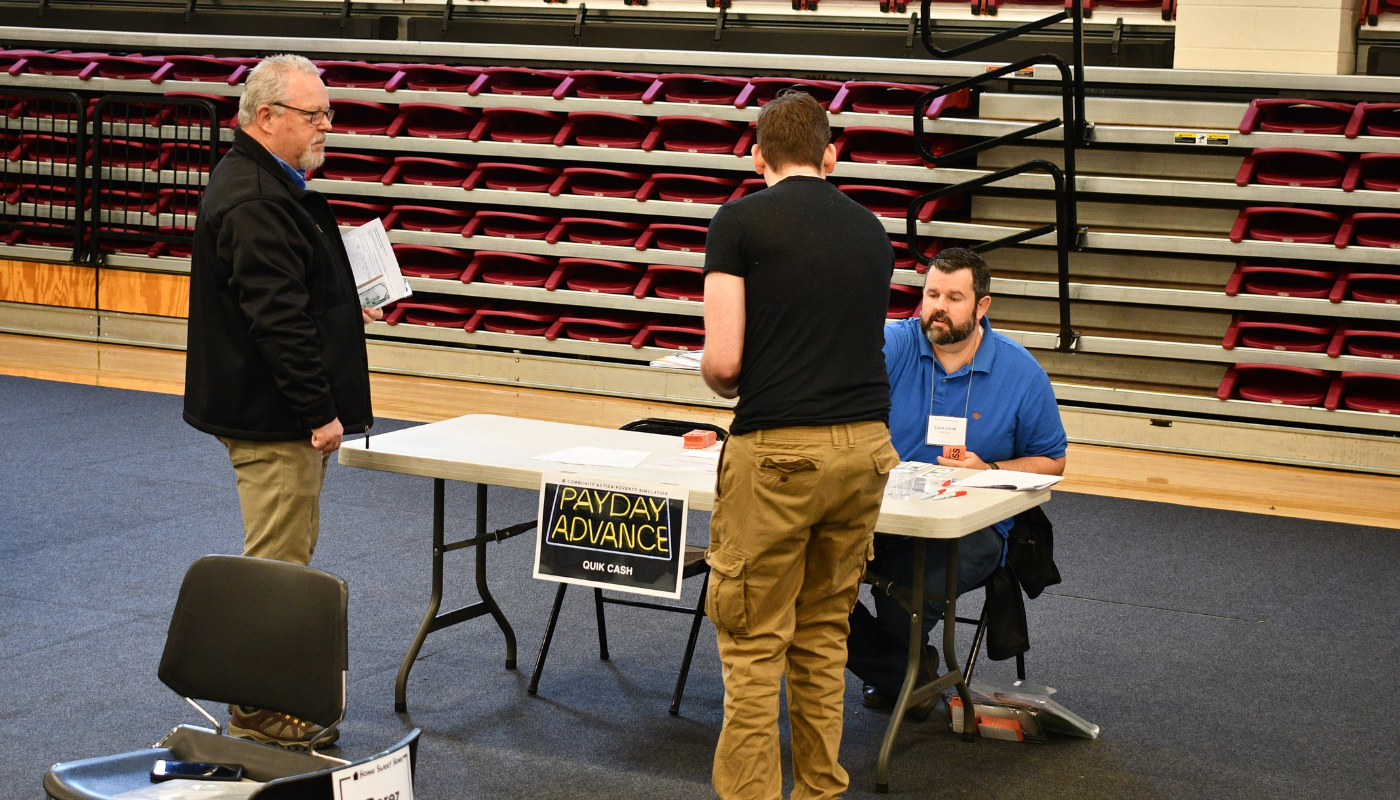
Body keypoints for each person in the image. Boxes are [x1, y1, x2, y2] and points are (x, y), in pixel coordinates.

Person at [700, 91, 902, 800]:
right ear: (831, 155)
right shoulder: (873, 230)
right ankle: (821, 790)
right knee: (823, 637)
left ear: (757, 158)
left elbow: (724, 367)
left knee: (754, 647)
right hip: (867, 450)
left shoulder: (740, 222)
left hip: (781, 453)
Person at [183, 53, 380, 748]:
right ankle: (257, 712)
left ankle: (260, 699)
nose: (326, 126)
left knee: (282, 557)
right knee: (276, 566)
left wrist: (351, 299)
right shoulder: (258, 196)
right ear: (266, 117)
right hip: (275, 420)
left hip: (272, 412)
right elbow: (277, 321)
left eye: (327, 112)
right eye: (313, 115)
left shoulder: (264, 181)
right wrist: (318, 413)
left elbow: (293, 290)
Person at [845, 247, 1067, 718]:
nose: (938, 307)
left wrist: (987, 470)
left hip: (973, 526)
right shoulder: (897, 345)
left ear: (982, 305)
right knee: (800, 573)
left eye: (954, 297)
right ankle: (910, 676)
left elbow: (1052, 462)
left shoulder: (1020, 372)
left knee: (903, 593)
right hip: (884, 512)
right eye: (931, 294)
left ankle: (900, 670)